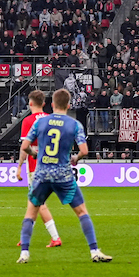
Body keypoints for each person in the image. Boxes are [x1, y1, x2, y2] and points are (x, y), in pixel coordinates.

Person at [16, 88, 111, 263]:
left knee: (31, 212)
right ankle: (94, 251)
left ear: (52, 105)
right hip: (63, 175)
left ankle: (24, 253)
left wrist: (34, 154)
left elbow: (25, 147)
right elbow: (84, 150)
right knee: (82, 212)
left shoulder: (41, 122)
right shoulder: (74, 124)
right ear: (68, 105)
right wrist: (75, 158)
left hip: (42, 173)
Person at [14, 90, 63, 249]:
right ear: (44, 103)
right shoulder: (51, 119)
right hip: (52, 162)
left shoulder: (28, 121)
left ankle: (55, 237)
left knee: (38, 202)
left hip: (36, 166)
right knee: (33, 202)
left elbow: (24, 147)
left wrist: (19, 166)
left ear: (30, 103)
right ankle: (25, 236)